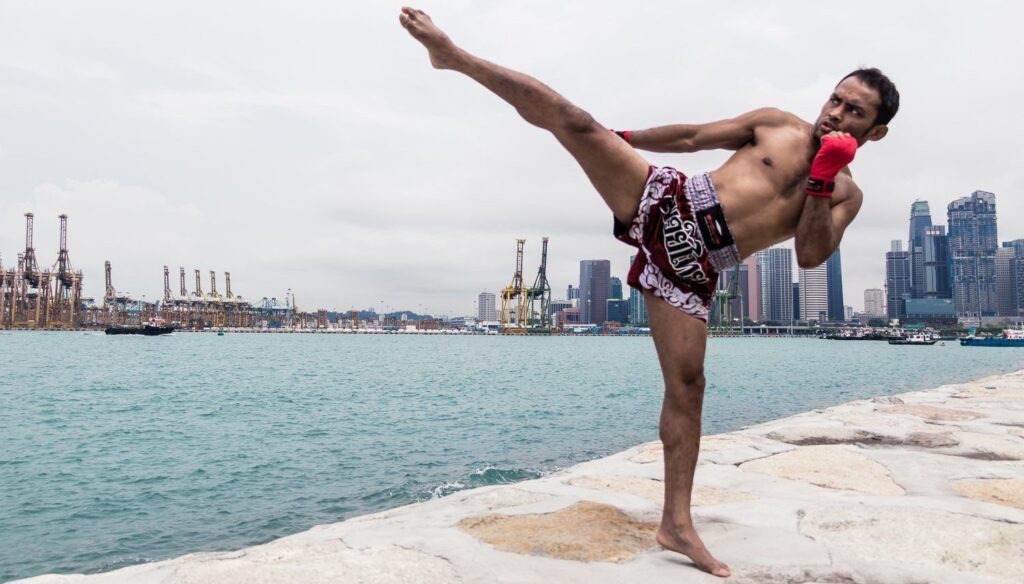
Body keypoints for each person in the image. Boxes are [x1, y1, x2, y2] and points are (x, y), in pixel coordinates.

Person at [399, 7, 898, 578]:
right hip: (671, 200)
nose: (834, 113)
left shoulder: (846, 195)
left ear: (874, 131)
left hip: (696, 264)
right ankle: (453, 56)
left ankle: (676, 525)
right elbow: (691, 137)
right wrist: (621, 139)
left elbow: (811, 255)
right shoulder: (776, 124)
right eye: (835, 98)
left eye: (853, 111)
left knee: (688, 388)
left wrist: (820, 180)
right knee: (573, 119)